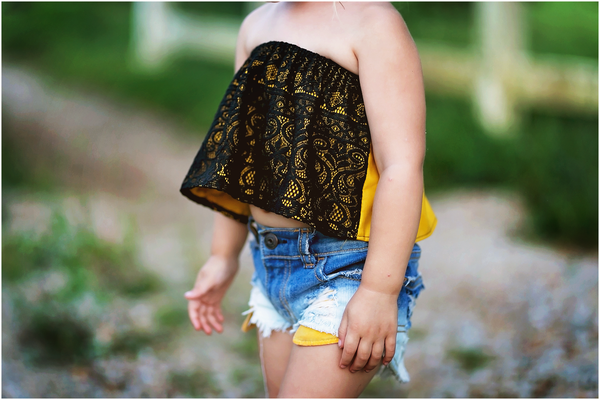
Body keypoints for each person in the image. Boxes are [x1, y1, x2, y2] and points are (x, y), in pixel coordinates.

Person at [180, 2, 437, 397]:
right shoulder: (256, 25)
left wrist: (378, 293)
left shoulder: (372, 22)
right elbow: (243, 160)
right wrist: (222, 256)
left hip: (350, 267)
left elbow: (401, 166)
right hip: (273, 266)